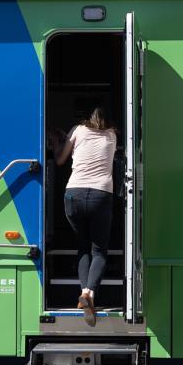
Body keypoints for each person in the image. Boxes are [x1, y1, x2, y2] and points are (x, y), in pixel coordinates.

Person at [55, 106, 117, 321]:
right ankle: (88, 293)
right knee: (99, 250)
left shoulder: (78, 130)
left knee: (83, 246)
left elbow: (61, 160)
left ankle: (84, 293)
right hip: (101, 195)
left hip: (74, 195)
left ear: (86, 118)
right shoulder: (112, 136)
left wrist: (58, 143)